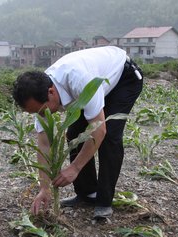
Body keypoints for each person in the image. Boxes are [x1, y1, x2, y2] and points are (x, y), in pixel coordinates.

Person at [12, 46, 143, 219]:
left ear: (51, 92)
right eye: (35, 113)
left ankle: (104, 201)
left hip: (123, 79)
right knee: (75, 133)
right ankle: (87, 193)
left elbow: (99, 130)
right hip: (95, 85)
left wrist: (74, 168)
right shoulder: (39, 96)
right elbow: (44, 144)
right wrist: (44, 188)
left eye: (42, 111)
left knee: (109, 135)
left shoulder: (80, 80)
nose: (41, 115)